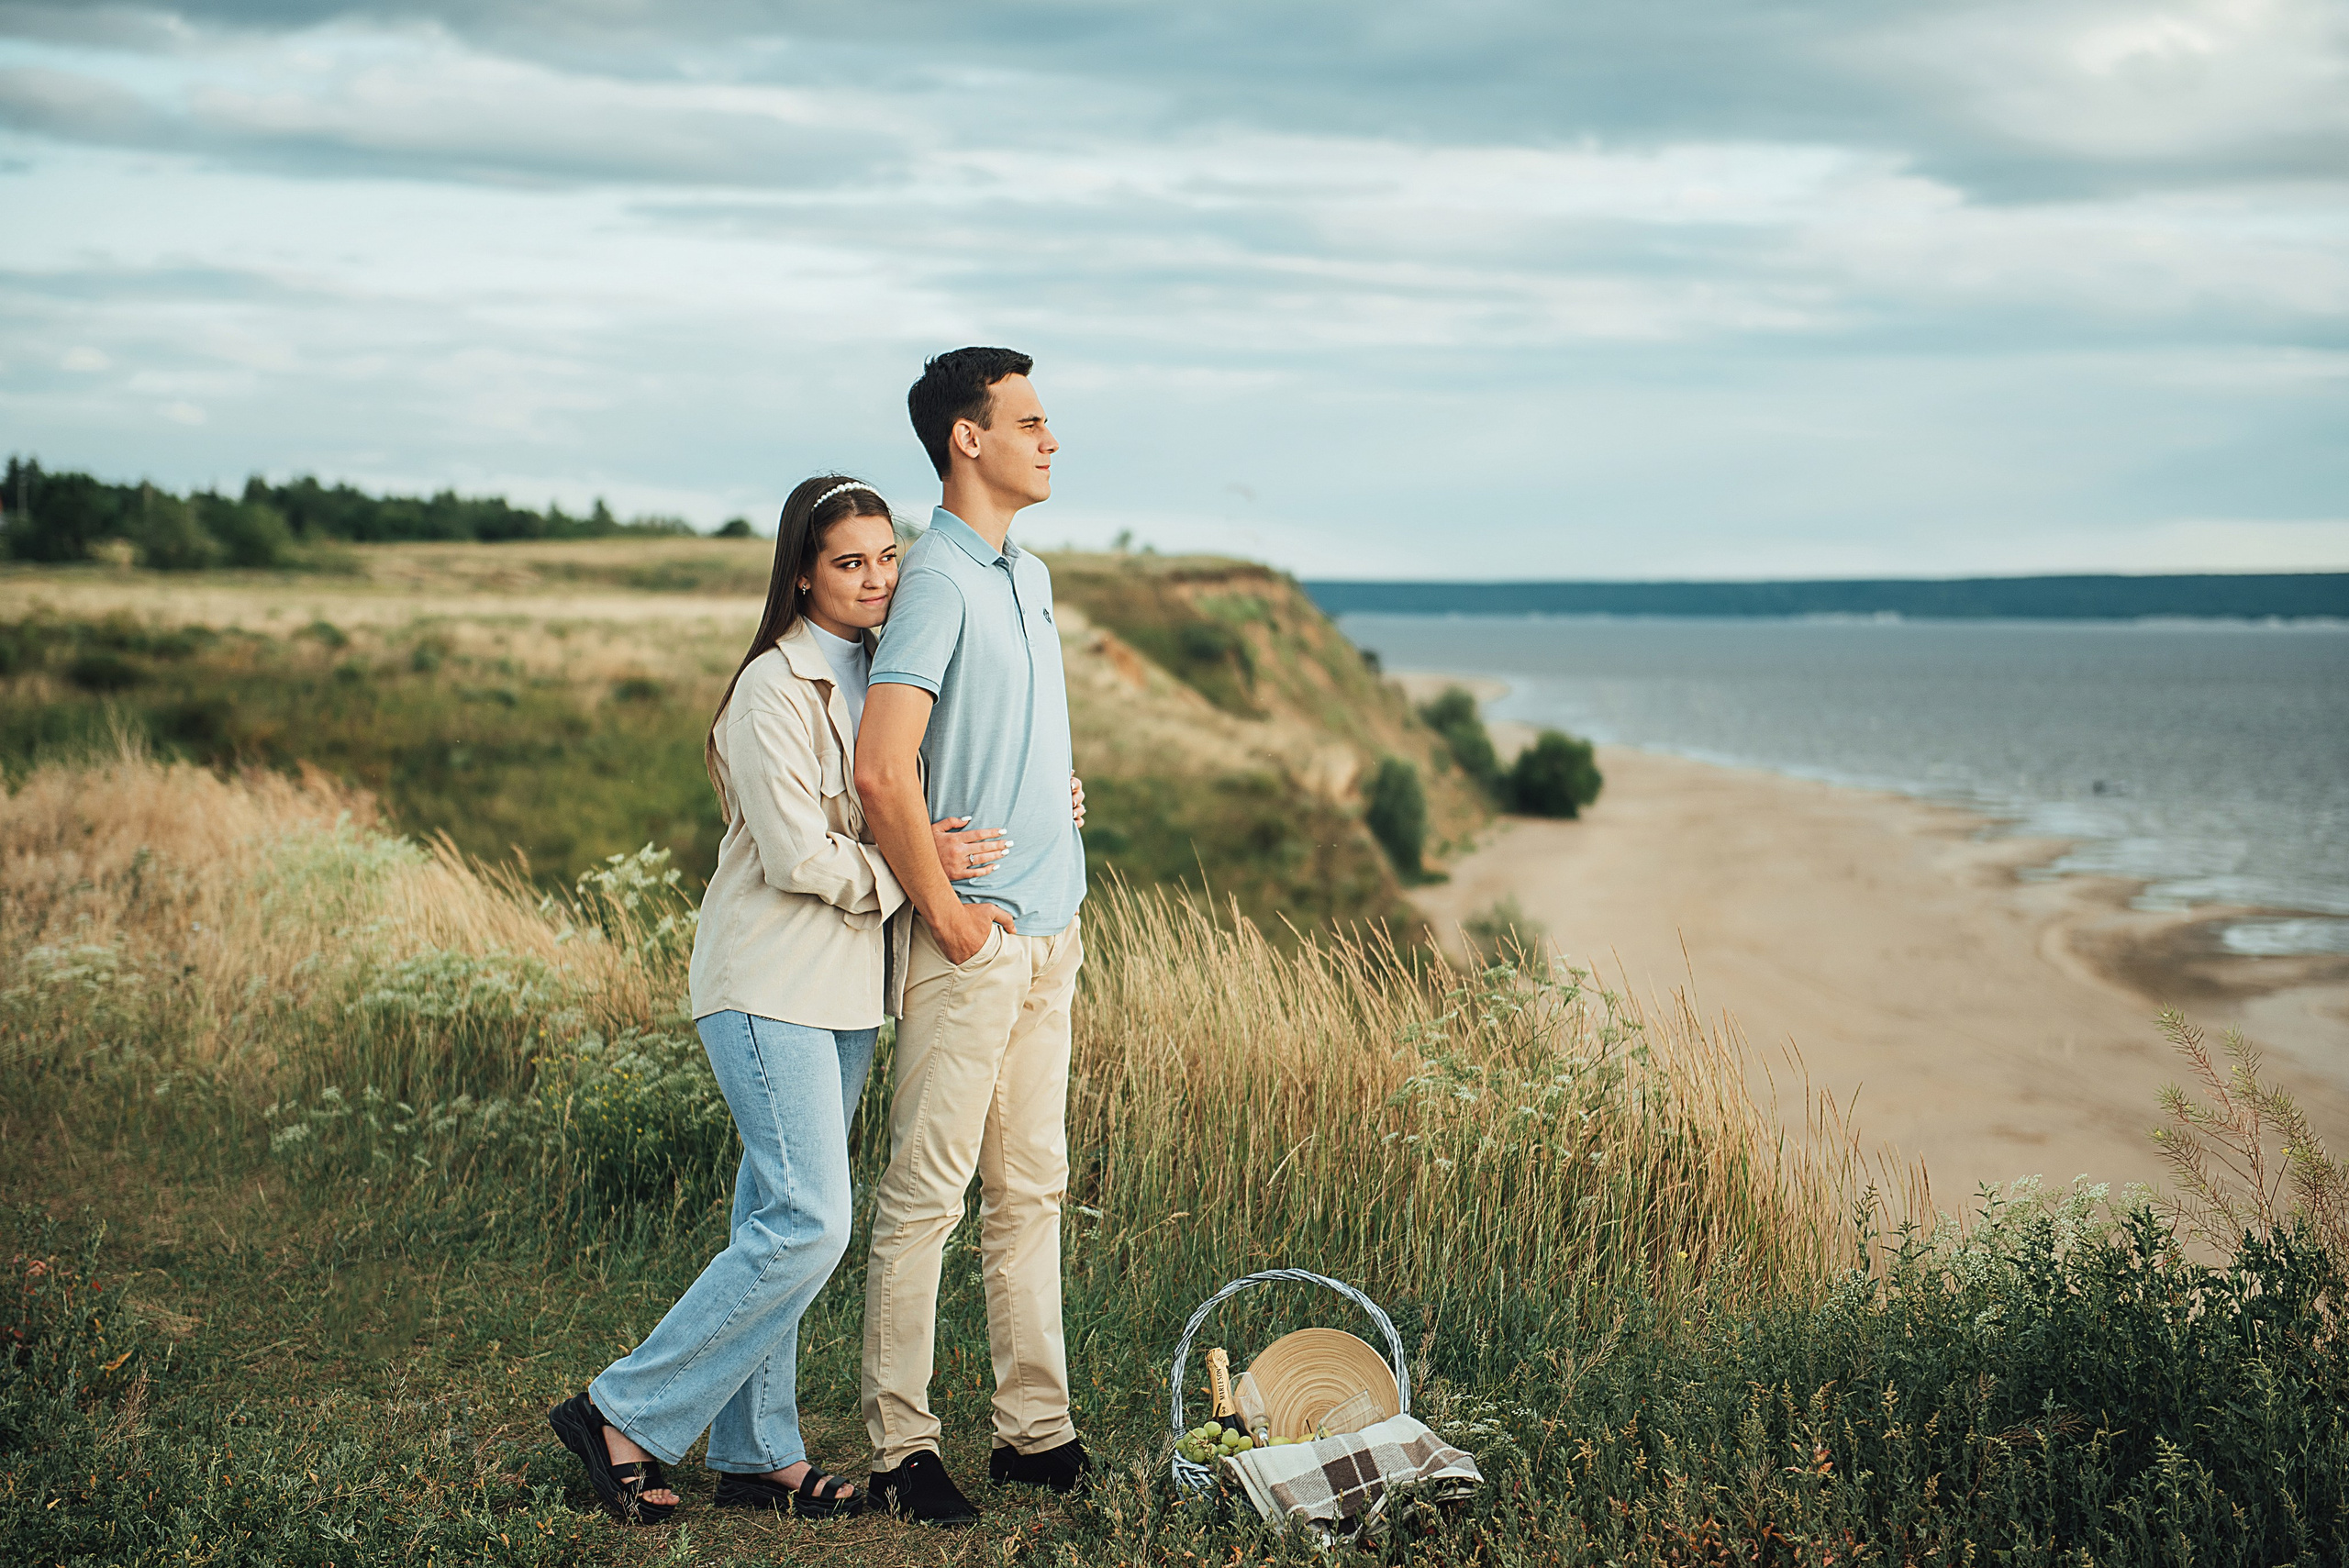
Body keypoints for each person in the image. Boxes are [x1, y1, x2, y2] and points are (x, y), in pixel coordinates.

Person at [548, 474, 1014, 1524]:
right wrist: (912, 860)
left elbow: (927, 790)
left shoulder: (881, 671)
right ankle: (621, 1409)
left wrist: (1041, 795)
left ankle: (760, 1453)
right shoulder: (772, 686)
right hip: (767, 981)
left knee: (772, 1209)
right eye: (851, 562)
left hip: (844, 988)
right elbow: (805, 857)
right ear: (802, 571)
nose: (878, 578)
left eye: (888, 556)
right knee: (810, 1219)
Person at [853, 347, 1092, 1526]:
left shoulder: (1029, 574)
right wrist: (945, 917)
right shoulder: (937, 577)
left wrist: (1056, 793)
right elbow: (879, 765)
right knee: (925, 1198)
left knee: (1032, 1188)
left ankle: (1033, 1432)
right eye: (1031, 421)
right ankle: (900, 1450)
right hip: (975, 943)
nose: (1051, 441)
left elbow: (1014, 730)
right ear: (967, 437)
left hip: (1056, 931)